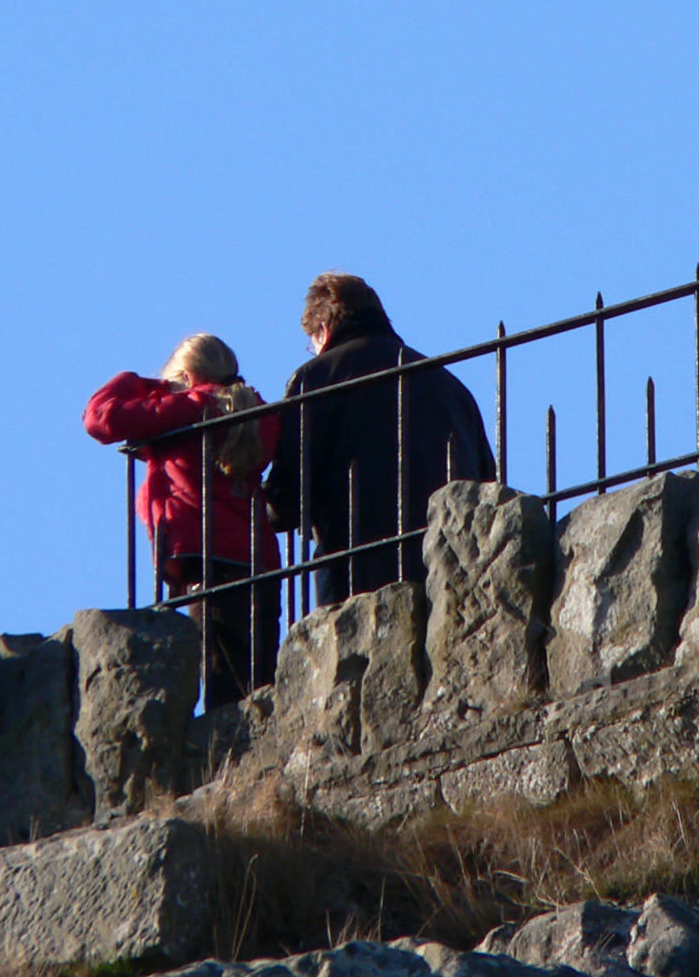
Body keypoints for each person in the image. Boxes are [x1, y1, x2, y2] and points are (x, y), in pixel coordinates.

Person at [263, 272, 496, 607]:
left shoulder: (316, 378)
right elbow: (486, 484)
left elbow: (287, 496)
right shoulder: (452, 387)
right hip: (448, 564)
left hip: (357, 571)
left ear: (323, 329)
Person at [84, 334, 282, 707]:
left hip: (204, 561)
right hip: (260, 560)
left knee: (223, 684)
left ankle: (229, 745)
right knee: (256, 678)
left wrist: (148, 384)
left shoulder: (189, 406)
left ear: (187, 377)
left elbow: (99, 418)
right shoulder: (261, 413)